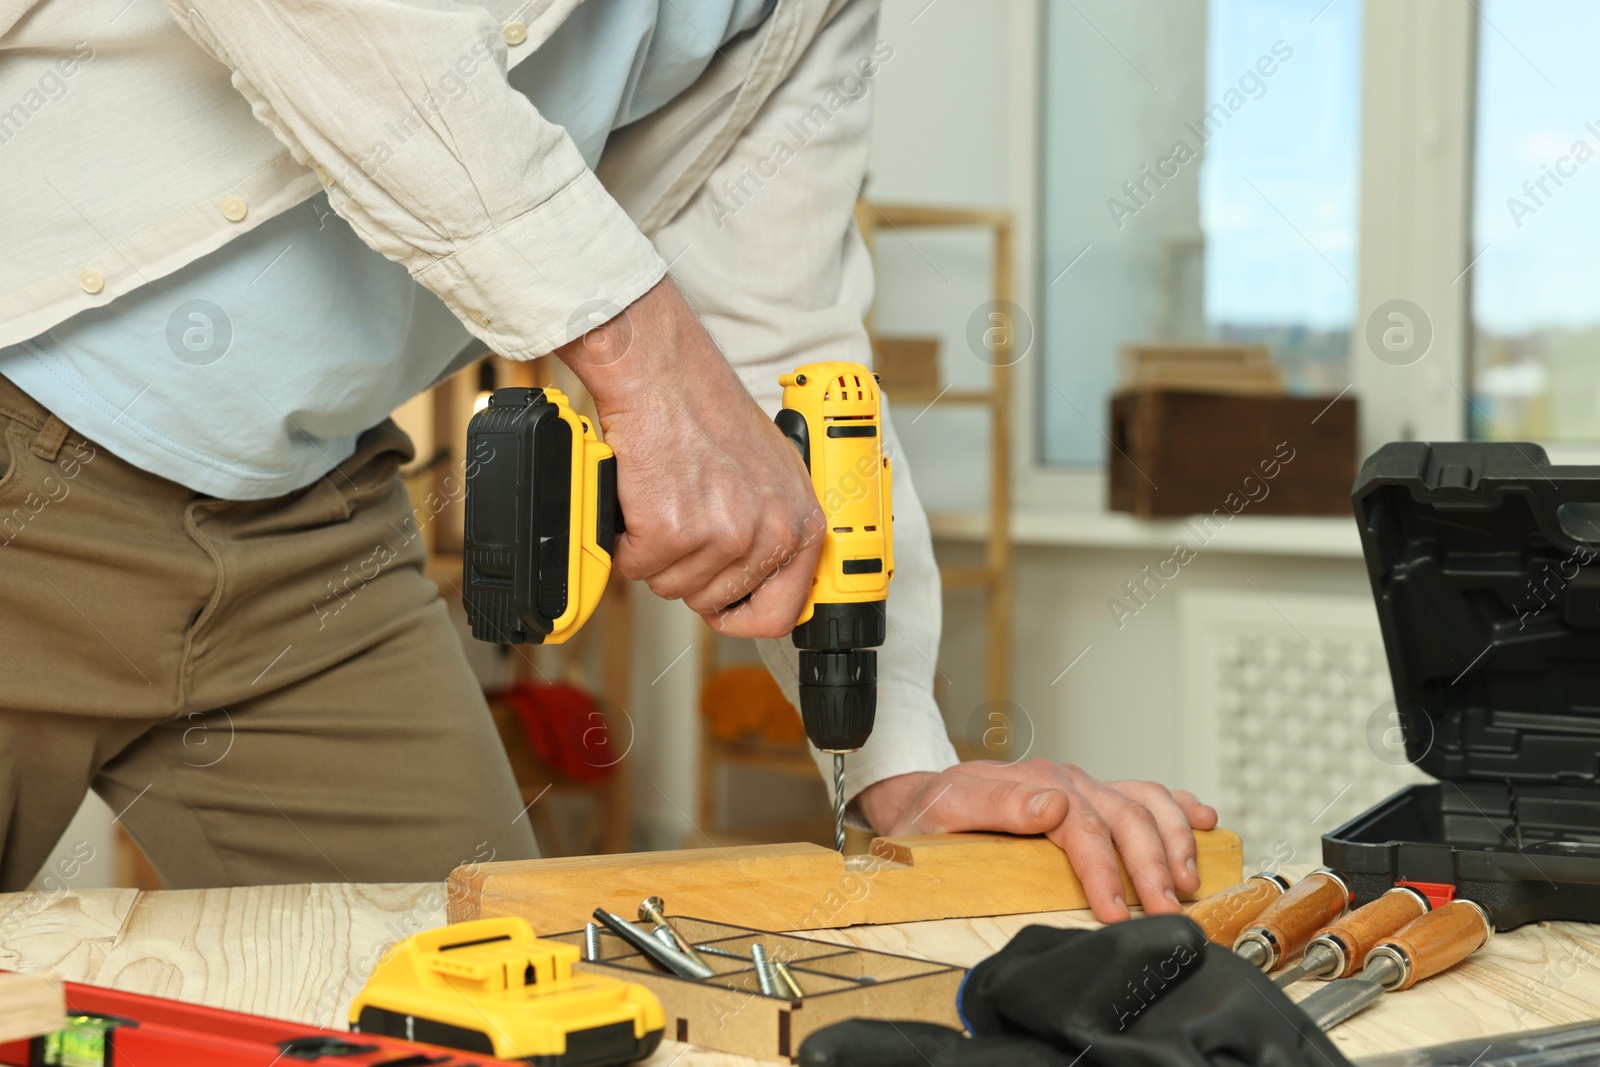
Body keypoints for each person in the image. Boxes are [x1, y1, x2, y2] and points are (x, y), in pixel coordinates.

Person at [0, 0, 1215, 922]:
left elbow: (783, 354)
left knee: (487, 998)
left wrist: (897, 758)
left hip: (301, 532)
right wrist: (647, 357)